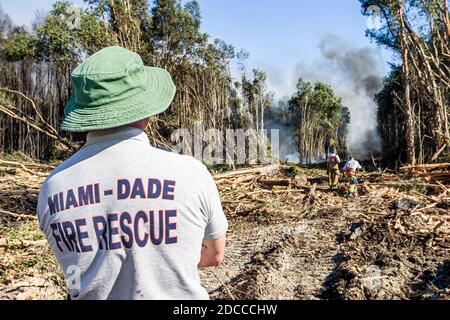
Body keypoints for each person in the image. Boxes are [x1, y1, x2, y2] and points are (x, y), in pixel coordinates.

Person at [37, 46, 228, 300]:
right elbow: (214, 255)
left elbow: (77, 269)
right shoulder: (191, 173)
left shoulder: (53, 188)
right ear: (144, 109)